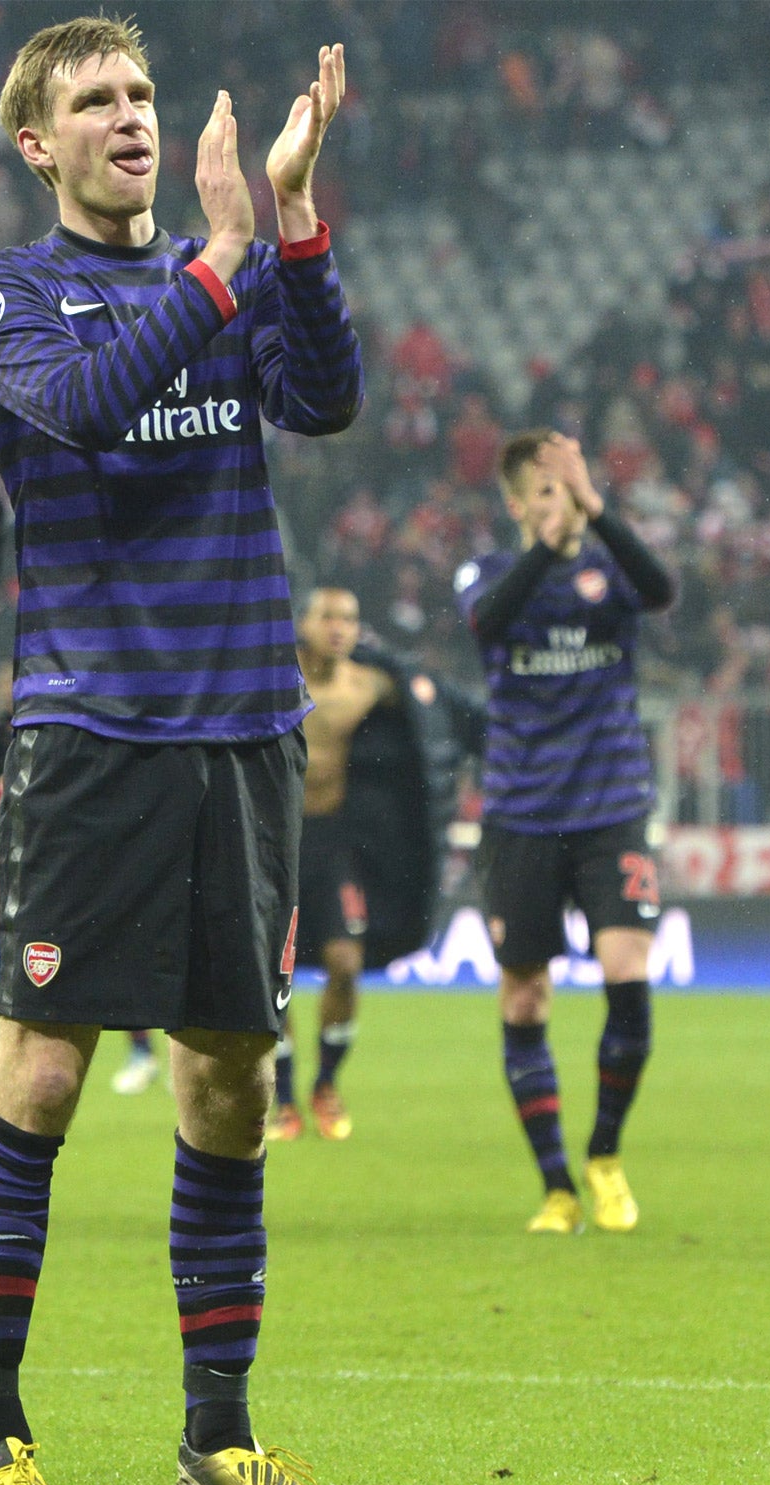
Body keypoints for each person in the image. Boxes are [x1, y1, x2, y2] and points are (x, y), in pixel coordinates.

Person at [0, 18, 361, 1485]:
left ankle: (217, 1442)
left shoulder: (234, 261)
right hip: (93, 737)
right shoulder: (10, 294)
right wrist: (221, 258)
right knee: (44, 1072)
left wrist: (294, 229)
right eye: (92, 103)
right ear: (37, 144)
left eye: (139, 94)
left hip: (245, 731)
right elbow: (85, 405)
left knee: (233, 1089)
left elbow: (321, 399)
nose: (129, 118)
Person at [455, 430, 675, 1236]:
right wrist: (546, 550)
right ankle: (555, 1187)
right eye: (548, 493)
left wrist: (599, 512)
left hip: (611, 806)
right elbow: (488, 623)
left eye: (573, 491)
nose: (565, 508)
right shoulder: (487, 576)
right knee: (525, 994)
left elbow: (660, 590)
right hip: (520, 816)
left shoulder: (610, 566)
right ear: (517, 505)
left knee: (628, 972)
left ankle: (605, 1155)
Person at [265, 586, 484, 1142]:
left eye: (350, 619)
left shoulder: (371, 686)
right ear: (304, 623)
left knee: (345, 962)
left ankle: (327, 1086)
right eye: (328, 617)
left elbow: (434, 708)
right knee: (273, 972)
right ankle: (283, 1097)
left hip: (333, 842)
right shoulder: (270, 675)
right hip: (272, 841)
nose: (339, 627)